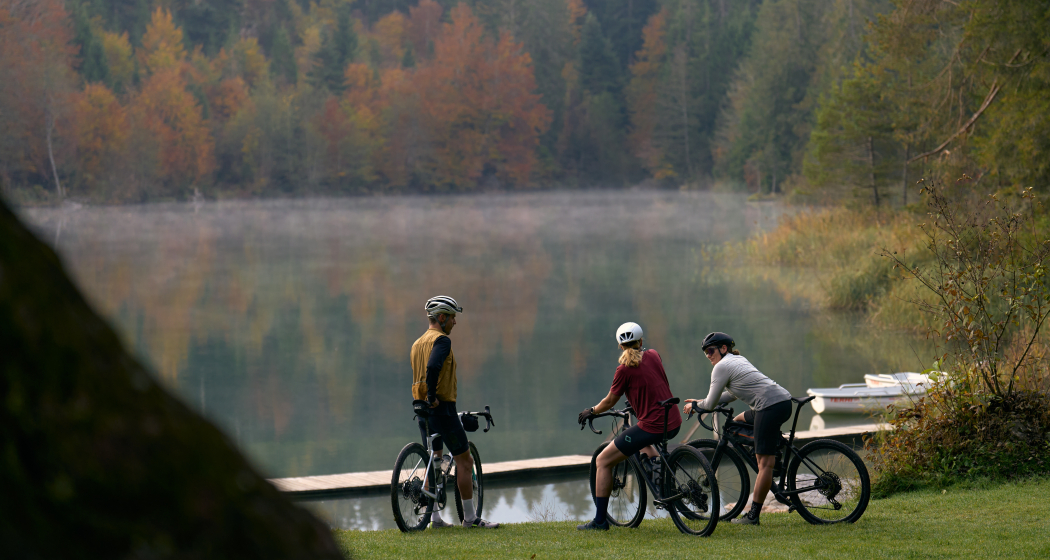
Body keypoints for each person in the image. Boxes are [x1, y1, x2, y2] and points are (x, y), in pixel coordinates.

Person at [576, 322, 682, 531]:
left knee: (603, 460)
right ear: (641, 341)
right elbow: (651, 382)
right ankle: (657, 469)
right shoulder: (654, 354)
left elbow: (609, 402)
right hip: (673, 421)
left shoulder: (623, 370)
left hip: (652, 426)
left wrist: (592, 410)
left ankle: (599, 521)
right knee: (641, 439)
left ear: (620, 346)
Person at [684, 332, 792, 526]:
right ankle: (769, 450)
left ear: (723, 349)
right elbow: (731, 395)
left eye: (710, 350)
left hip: (769, 407)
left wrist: (697, 406)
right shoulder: (737, 360)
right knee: (738, 420)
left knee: (763, 464)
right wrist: (702, 401)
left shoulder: (722, 366)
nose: (708, 355)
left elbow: (709, 406)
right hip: (779, 402)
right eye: (705, 353)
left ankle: (753, 516)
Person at [410, 295, 499, 529]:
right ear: (441, 318)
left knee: (434, 460)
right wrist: (432, 397)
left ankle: (435, 519)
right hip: (441, 409)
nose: (454, 323)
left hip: (421, 410)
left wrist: (425, 399)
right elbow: (432, 367)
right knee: (464, 460)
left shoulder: (417, 343)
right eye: (452, 318)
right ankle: (470, 518)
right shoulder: (442, 341)